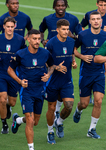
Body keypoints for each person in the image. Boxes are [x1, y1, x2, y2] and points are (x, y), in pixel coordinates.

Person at [7, 29, 54, 150]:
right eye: (34, 39)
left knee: (35, 122)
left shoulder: (45, 53)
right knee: (30, 119)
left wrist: (48, 75)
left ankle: (17, 120)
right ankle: (31, 148)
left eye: (39, 39)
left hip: (40, 90)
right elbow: (10, 70)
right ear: (28, 39)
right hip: (26, 91)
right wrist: (19, 81)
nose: (37, 41)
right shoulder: (20, 54)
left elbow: (52, 66)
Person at [39, 0, 82, 119]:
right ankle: (52, 124)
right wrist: (43, 41)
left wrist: (71, 36)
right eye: (58, 5)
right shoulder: (47, 19)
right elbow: (41, 30)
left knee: (65, 100)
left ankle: (58, 117)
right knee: (53, 99)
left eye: (63, 5)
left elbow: (80, 36)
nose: (61, 7)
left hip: (65, 59)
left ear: (66, 6)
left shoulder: (72, 19)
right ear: (54, 6)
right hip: (52, 56)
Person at [73, 11, 106, 139]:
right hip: (85, 73)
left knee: (98, 101)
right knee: (84, 103)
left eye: (98, 19)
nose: (96, 21)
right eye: (93, 19)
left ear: (101, 21)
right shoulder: (82, 35)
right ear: (90, 21)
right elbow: (74, 50)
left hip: (99, 73)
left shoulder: (105, 36)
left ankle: (92, 129)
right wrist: (81, 56)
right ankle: (78, 110)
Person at [45, 19, 77, 144]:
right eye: (63, 29)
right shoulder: (51, 43)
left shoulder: (71, 41)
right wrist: (57, 67)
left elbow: (72, 53)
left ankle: (59, 122)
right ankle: (50, 132)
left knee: (69, 106)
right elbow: (45, 61)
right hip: (53, 81)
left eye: (67, 29)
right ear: (57, 30)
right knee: (51, 108)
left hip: (66, 80)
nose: (66, 31)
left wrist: (73, 61)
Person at [0, 17, 26, 134]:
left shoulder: (20, 39)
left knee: (11, 102)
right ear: (4, 27)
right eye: (8, 27)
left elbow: (24, 54)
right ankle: (4, 124)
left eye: (12, 27)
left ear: (14, 27)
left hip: (14, 74)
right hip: (1, 73)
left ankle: (8, 108)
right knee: (2, 99)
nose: (10, 29)